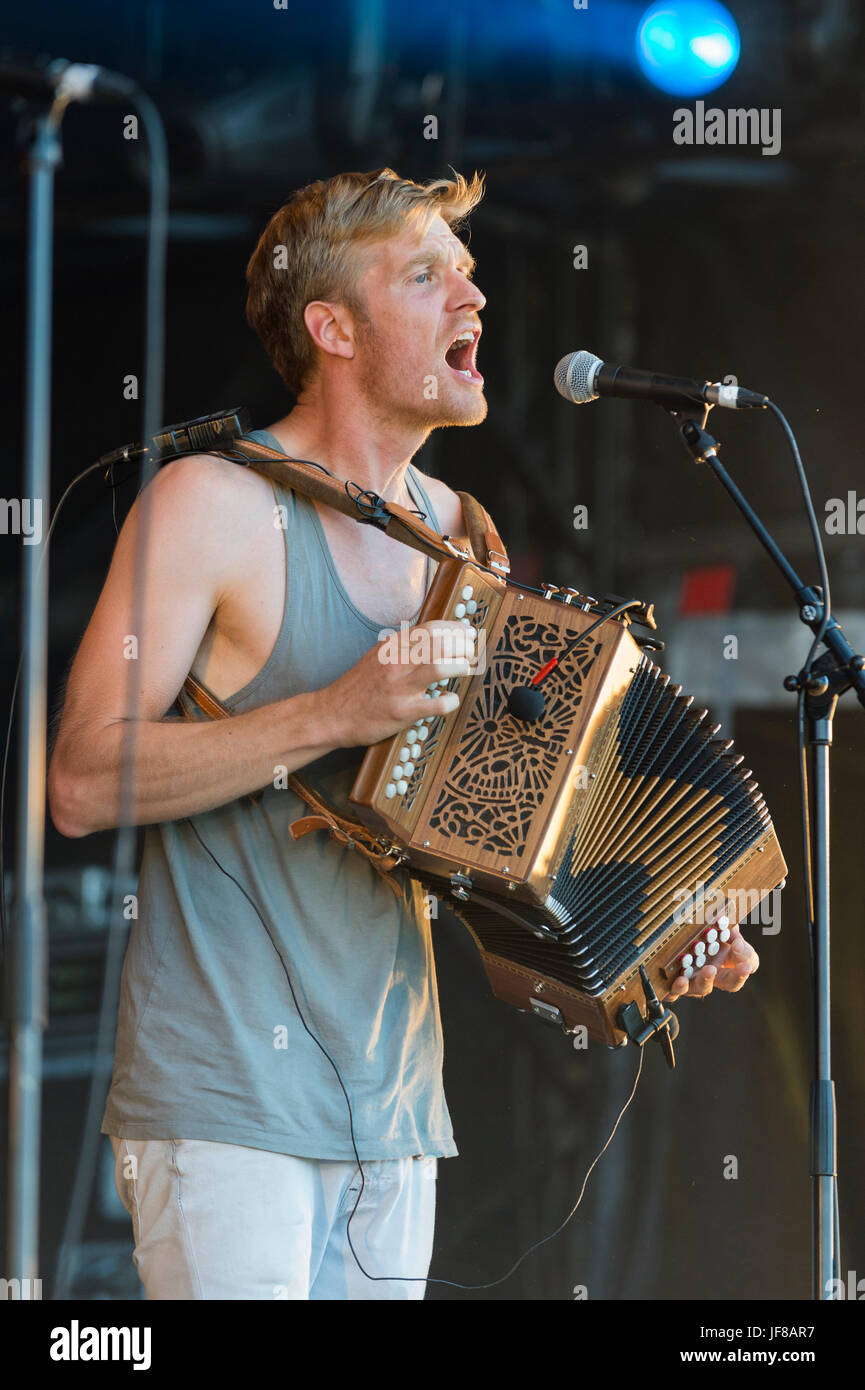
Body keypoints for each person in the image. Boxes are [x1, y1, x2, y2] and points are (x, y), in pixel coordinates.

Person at [47, 166, 759, 1301]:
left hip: (401, 1120)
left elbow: (492, 920)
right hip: (227, 1104)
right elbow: (80, 778)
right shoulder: (211, 504)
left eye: (468, 274)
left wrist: (644, 964)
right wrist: (332, 713)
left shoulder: (466, 546)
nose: (470, 299)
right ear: (330, 325)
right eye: (426, 276)